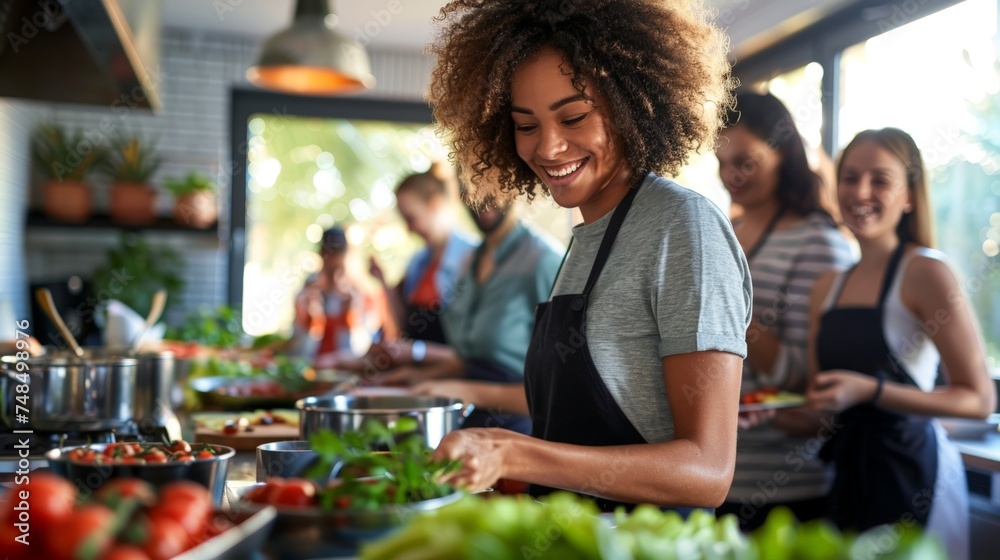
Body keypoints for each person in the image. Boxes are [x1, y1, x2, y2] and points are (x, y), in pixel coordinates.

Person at [425, 0, 751, 511]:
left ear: (632, 103)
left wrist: (514, 453)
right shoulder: (586, 238)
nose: (549, 148)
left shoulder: (683, 228)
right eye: (525, 125)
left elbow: (708, 472)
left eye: (573, 116)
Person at [807, 128, 995, 558]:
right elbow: (823, 402)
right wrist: (767, 414)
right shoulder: (828, 286)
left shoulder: (926, 272)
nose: (860, 191)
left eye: (880, 180)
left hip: (915, 477)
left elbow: (979, 399)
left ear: (909, 195)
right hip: (848, 476)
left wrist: (870, 390)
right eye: (850, 177)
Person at [713, 92, 855, 528]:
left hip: (784, 485)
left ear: (783, 152)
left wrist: (730, 311)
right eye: (722, 162)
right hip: (712, 470)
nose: (731, 175)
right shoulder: (724, 231)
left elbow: (804, 378)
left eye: (746, 161)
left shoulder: (819, 243)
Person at [371, 191, 564, 435]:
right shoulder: (468, 263)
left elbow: (558, 394)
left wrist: (465, 390)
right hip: (471, 423)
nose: (480, 196)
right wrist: (419, 378)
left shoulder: (545, 262)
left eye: (492, 185)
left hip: (516, 435)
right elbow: (470, 361)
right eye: (468, 186)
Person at [369, 167, 478, 345]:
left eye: (411, 218)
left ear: (434, 204)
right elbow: (403, 327)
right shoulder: (417, 262)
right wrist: (382, 281)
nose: (409, 229)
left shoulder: (474, 257)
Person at [290, 227, 387, 368]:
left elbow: (362, 351)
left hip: (344, 374)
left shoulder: (360, 294)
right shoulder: (307, 293)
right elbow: (298, 350)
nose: (332, 264)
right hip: (311, 371)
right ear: (321, 254)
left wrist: (349, 317)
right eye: (328, 255)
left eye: (338, 256)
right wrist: (311, 320)